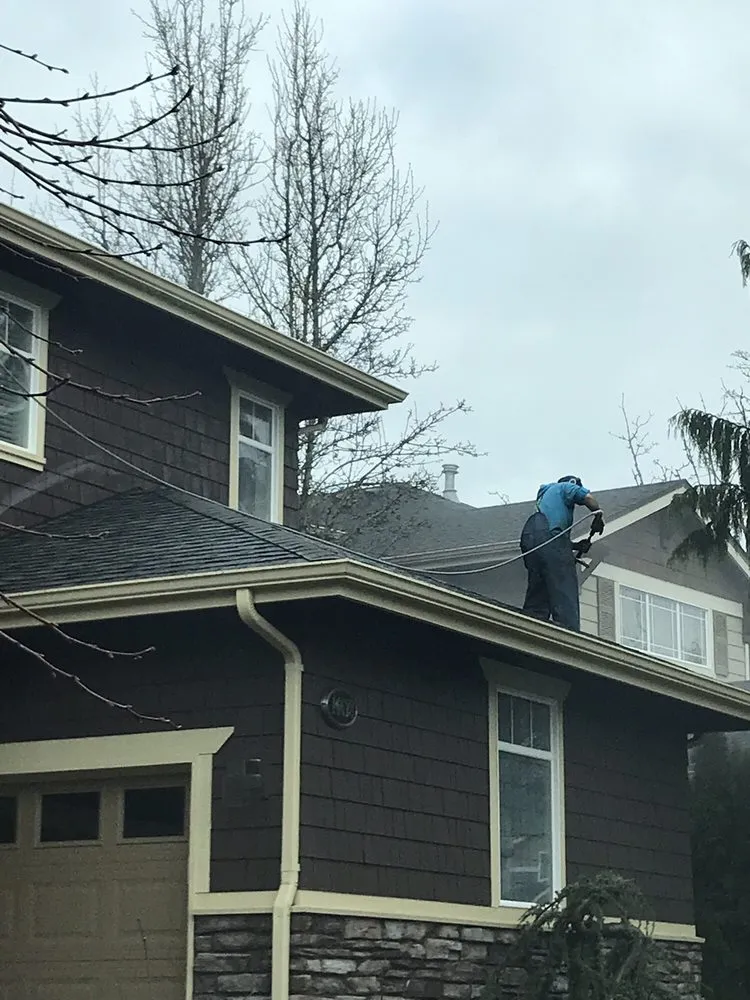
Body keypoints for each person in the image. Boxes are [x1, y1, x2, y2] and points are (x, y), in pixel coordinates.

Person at [520, 476, 604, 631]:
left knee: (539, 589)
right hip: (550, 540)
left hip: (531, 542)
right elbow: (587, 498)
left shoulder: (544, 499)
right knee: (564, 584)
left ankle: (530, 629)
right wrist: (598, 516)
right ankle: (570, 635)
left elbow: (549, 543)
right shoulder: (566, 486)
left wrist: (574, 545)